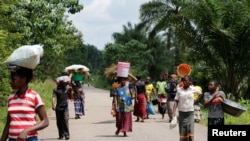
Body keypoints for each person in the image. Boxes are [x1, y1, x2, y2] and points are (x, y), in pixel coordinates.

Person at [0, 66, 49, 141]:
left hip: (30, 138)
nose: (11, 81)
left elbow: (45, 121)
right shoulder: (11, 98)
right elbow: (8, 124)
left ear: (23, 79)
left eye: (13, 79)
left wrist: (26, 131)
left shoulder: (34, 96)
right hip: (12, 139)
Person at [173, 75, 202, 141]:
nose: (185, 82)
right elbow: (176, 101)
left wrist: (195, 101)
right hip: (182, 113)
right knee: (183, 130)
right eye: (184, 80)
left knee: (190, 129)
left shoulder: (193, 89)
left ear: (190, 82)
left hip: (190, 113)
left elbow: (200, 93)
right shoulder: (179, 89)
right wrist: (174, 111)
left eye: (186, 80)